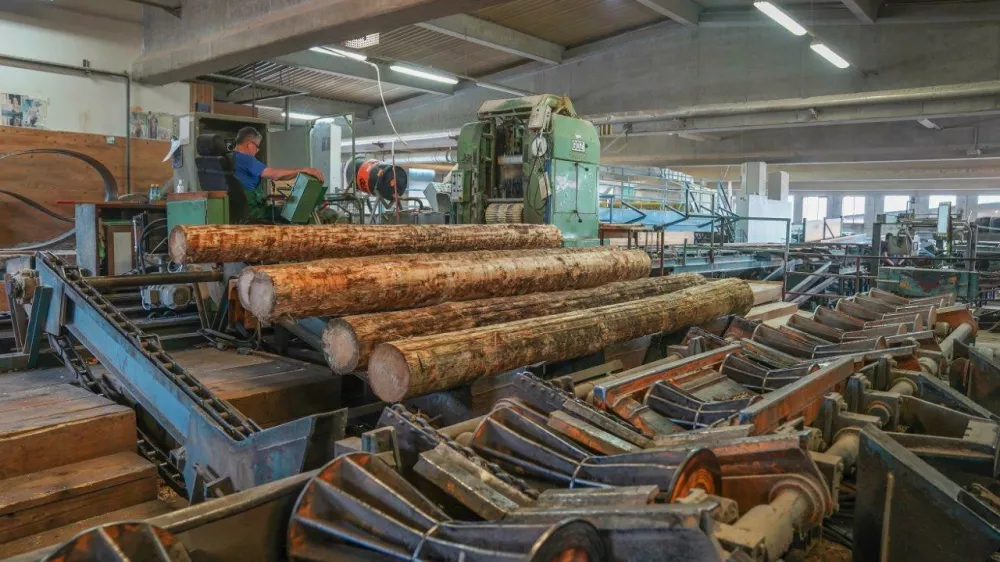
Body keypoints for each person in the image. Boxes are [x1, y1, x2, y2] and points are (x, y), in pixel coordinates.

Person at [232, 127, 325, 219]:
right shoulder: (246, 159)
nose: (257, 151)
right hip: (253, 212)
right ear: (250, 144)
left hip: (240, 211)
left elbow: (279, 177)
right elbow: (274, 175)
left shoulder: (231, 158)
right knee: (290, 215)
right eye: (257, 147)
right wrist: (303, 170)